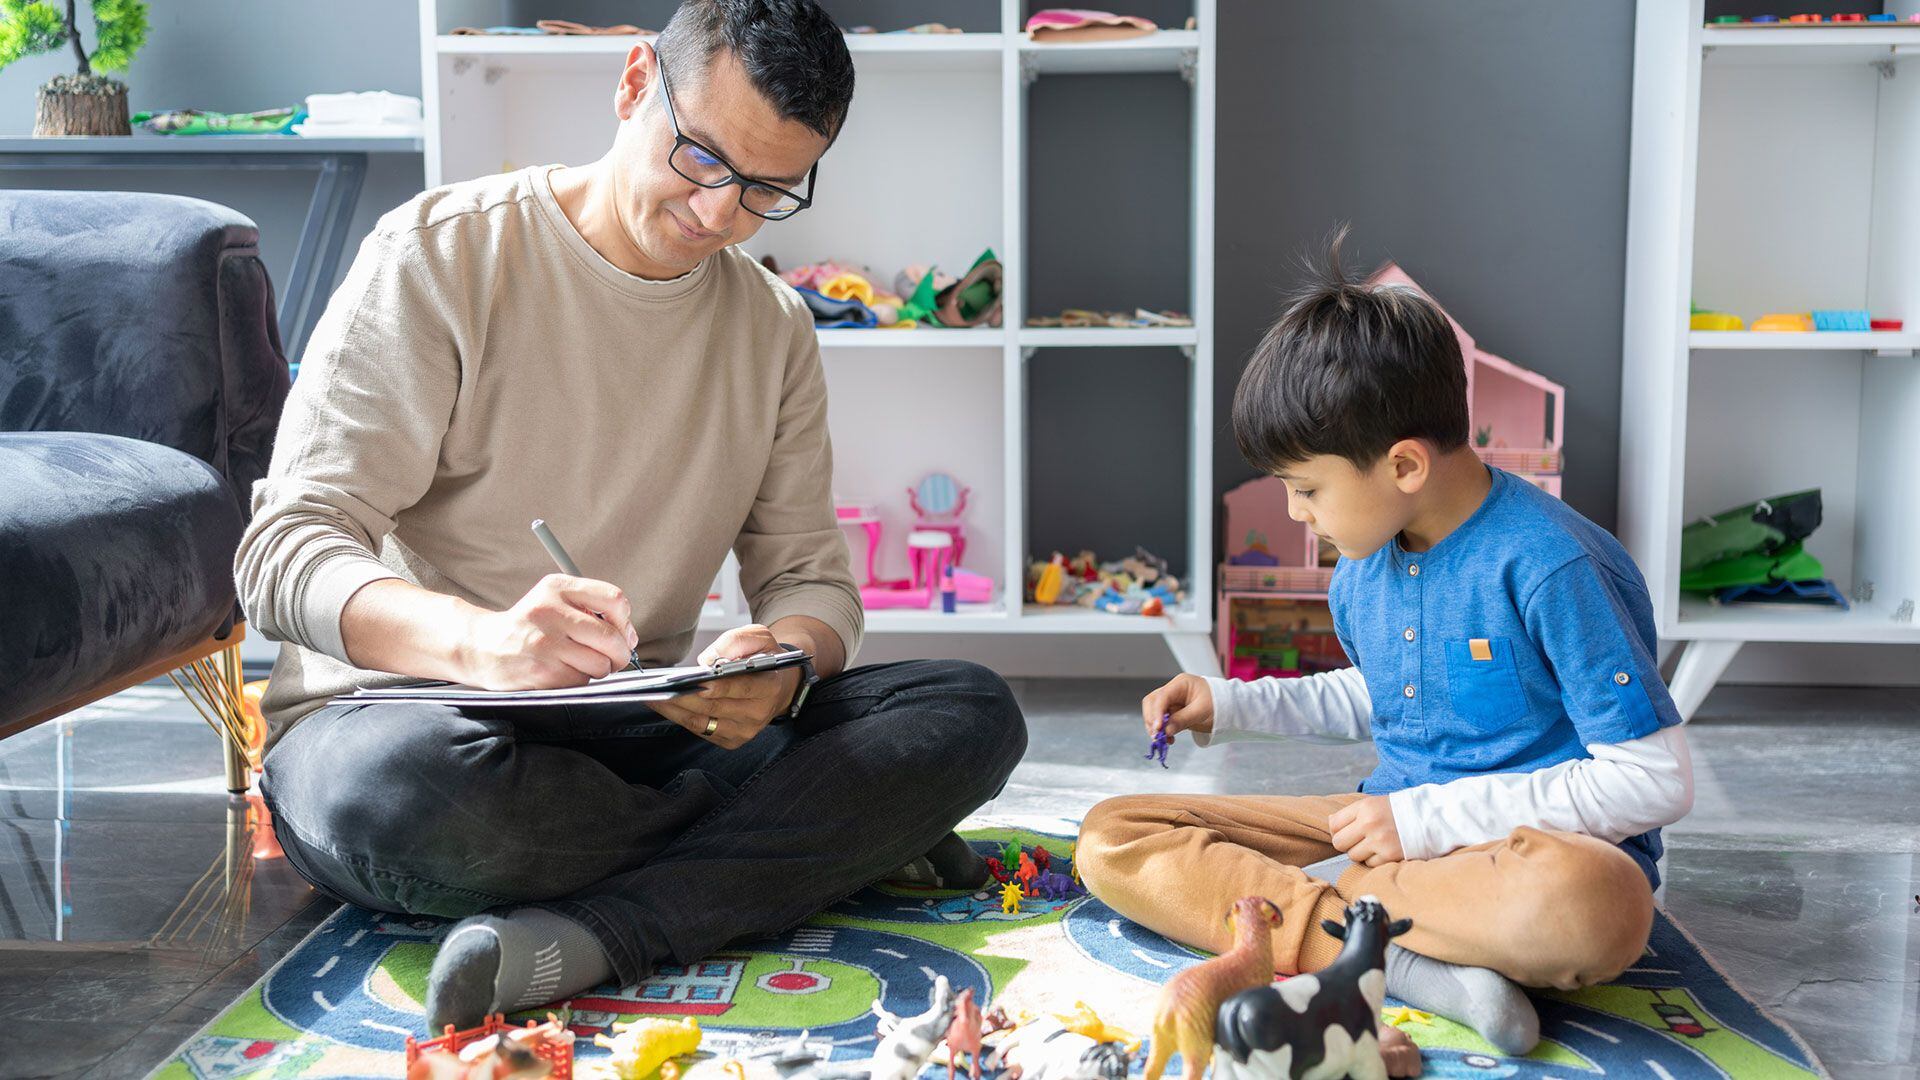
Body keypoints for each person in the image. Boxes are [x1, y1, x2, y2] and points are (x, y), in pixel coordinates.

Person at [234, 0, 1026, 1030]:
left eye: (767, 190)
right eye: (700, 158)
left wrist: (782, 660)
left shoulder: (771, 327)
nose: (719, 215)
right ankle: (811, 839)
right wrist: (487, 645)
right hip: (410, 726)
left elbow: (811, 579)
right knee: (397, 802)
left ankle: (603, 929)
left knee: (968, 711)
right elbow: (283, 555)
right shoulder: (437, 256)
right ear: (632, 82)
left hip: (637, 725)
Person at [1074, 230, 1693, 1054]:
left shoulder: (1553, 565)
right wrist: (1229, 700)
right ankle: (1424, 969)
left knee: (1595, 905)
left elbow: (1655, 780)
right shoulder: (1363, 566)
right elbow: (1389, 689)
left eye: (1307, 490)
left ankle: (1331, 925)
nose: (1297, 514)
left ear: (1403, 466)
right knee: (1114, 836)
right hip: (1382, 840)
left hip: (1514, 861)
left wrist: (1426, 822)